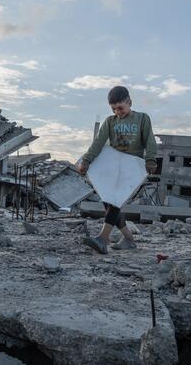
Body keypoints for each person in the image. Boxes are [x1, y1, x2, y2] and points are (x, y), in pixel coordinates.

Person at [77, 85, 157, 254]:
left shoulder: (142, 118)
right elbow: (98, 142)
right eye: (113, 109)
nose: (117, 112)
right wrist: (87, 160)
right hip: (113, 164)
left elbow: (150, 140)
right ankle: (129, 239)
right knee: (109, 202)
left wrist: (150, 159)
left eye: (120, 108)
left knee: (114, 201)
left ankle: (102, 238)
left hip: (132, 165)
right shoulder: (110, 121)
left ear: (130, 103)